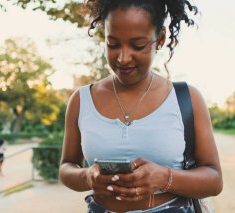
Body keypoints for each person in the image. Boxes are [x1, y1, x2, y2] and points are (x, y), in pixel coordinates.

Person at [59, 0, 223, 212]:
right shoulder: (81, 100)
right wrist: (87, 176)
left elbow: (214, 179)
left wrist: (165, 178)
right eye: (113, 44)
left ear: (160, 39)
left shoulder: (186, 98)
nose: (123, 58)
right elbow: (66, 168)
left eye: (138, 45)